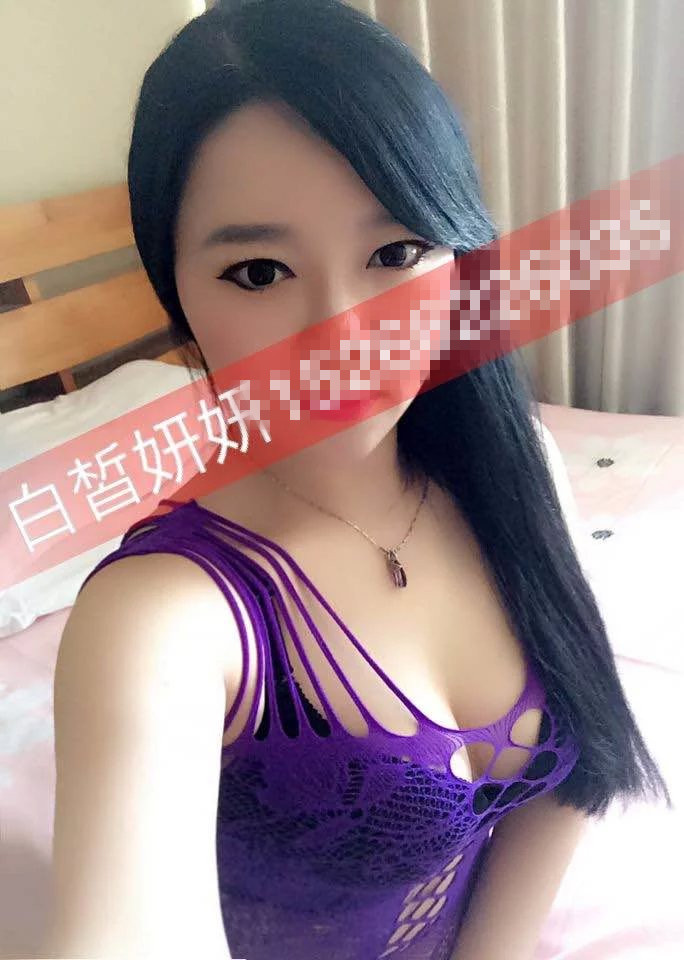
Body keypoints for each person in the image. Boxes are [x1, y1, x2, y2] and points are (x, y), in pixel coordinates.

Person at [42, 2, 670, 959]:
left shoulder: (515, 474)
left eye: (396, 253)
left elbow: (577, 770)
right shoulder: (162, 618)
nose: (342, 337)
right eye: (259, 272)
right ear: (177, 296)